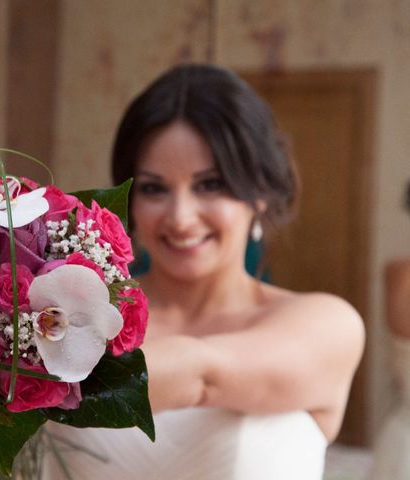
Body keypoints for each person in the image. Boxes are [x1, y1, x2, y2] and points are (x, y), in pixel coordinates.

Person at [43, 64, 364, 480]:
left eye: (210, 185)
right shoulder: (65, 317)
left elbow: (202, 374)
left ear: (260, 193)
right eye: (155, 188)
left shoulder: (326, 324)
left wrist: (13, 363)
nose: (180, 218)